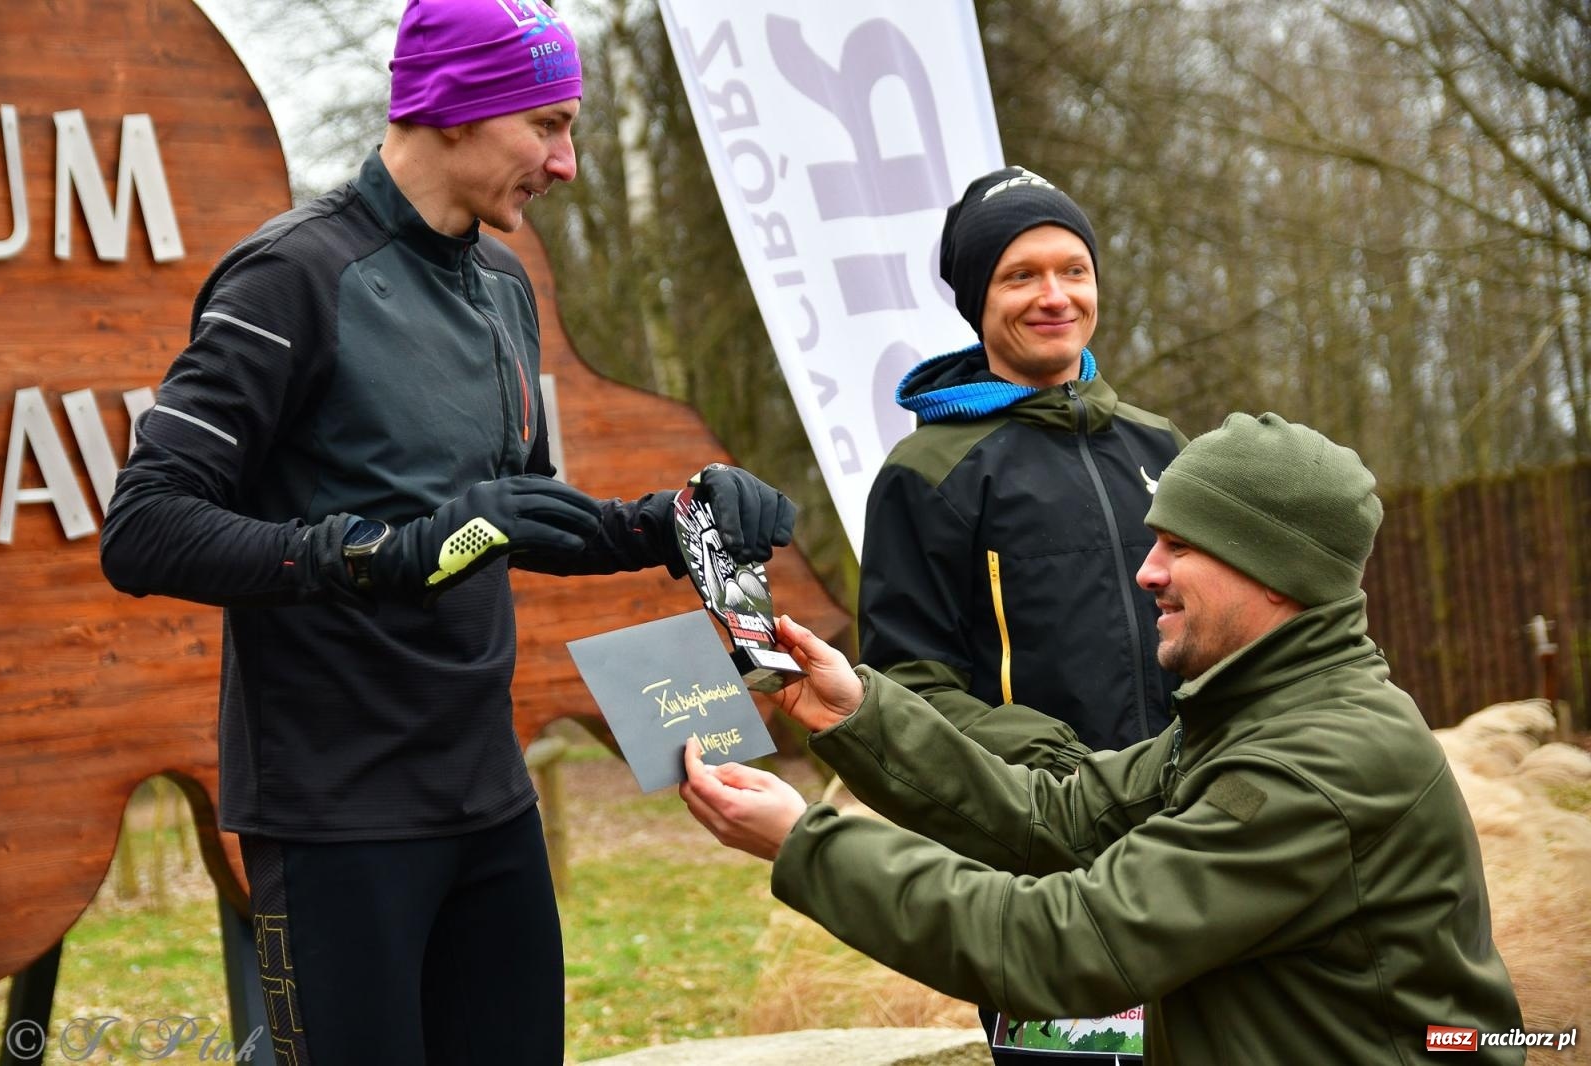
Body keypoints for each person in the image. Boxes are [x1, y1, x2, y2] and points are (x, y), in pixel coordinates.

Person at [100, 2, 794, 1062]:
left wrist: (676, 520)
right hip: (336, 815)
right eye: (547, 126)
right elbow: (145, 527)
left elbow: (509, 520)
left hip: (488, 796)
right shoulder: (290, 277)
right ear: (456, 109)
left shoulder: (503, 284)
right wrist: (391, 551)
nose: (565, 164)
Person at [683, 413, 1525, 1064]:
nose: (1147, 571)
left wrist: (806, 843)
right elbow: (1062, 815)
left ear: (1277, 574)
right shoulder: (1254, 710)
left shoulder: (1314, 766)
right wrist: (857, 714)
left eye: (1179, 546)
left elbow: (1065, 943)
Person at [861, 165, 1186, 769]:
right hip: (1040, 809)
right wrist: (1066, 771)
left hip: (1191, 800)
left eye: (1074, 271)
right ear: (977, 301)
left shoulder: (1163, 445)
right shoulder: (929, 472)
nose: (1056, 296)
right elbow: (908, 689)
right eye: (1021, 276)